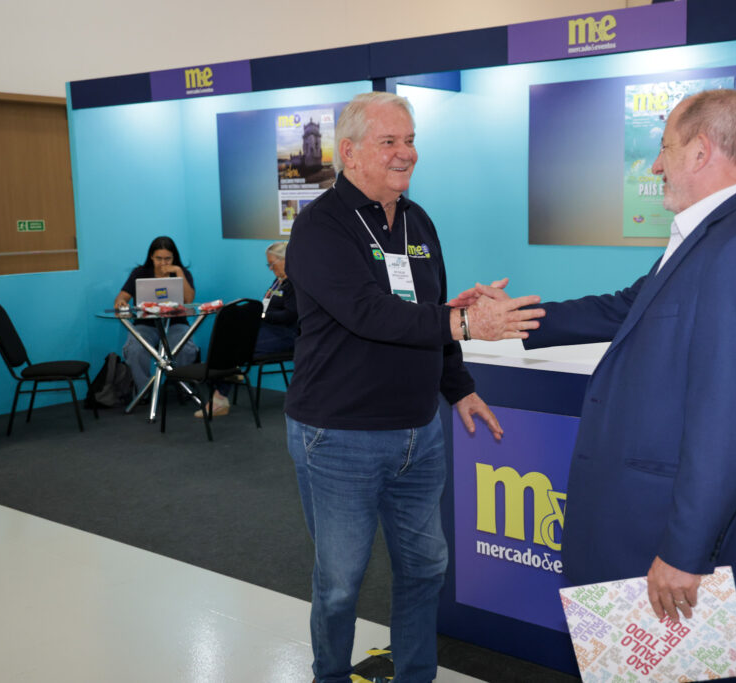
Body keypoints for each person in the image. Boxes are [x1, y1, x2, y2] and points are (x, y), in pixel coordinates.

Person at [457, 89, 736, 677]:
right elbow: (624, 309)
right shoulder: (712, 237)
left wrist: (685, 553)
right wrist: (513, 320)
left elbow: (730, 421)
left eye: (663, 149)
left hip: (665, 542)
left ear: (700, 151)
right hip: (638, 531)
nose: (656, 165)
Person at [283, 92, 543, 683]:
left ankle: (416, 676)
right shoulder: (320, 227)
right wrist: (465, 322)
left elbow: (430, 315)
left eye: (410, 140)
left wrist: (459, 387)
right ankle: (328, 675)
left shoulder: (419, 221)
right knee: (340, 583)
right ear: (349, 153)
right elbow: (369, 313)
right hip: (338, 437)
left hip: (418, 436)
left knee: (425, 567)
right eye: (390, 142)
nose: (407, 154)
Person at [197, 241, 298, 418]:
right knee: (226, 340)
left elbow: (290, 315)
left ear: (286, 260)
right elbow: (267, 306)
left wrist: (262, 316)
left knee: (237, 347)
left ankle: (221, 394)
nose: (270, 268)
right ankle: (225, 385)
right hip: (268, 329)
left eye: (272, 264)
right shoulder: (278, 282)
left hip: (287, 334)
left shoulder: (295, 283)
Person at [113, 236, 199, 396]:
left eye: (168, 259)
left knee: (186, 349)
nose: (163, 263)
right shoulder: (140, 273)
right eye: (159, 258)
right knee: (135, 350)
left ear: (174, 258)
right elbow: (122, 297)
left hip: (176, 323)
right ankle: (145, 391)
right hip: (146, 324)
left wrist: (179, 272)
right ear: (151, 256)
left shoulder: (181, 272)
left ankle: (182, 386)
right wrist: (121, 302)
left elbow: (189, 300)